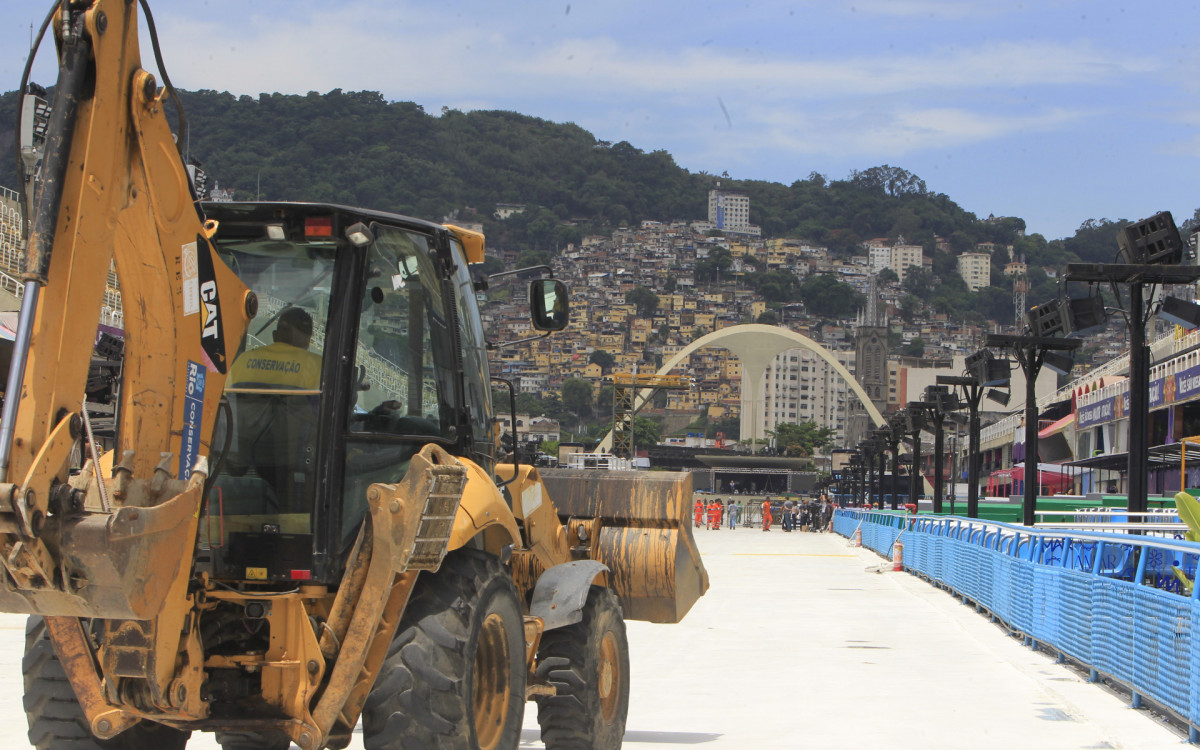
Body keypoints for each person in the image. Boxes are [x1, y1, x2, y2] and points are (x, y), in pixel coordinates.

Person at [228, 307, 322, 389]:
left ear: (275, 336)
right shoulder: (318, 366)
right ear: (308, 340)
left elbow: (225, 398)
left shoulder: (243, 360)